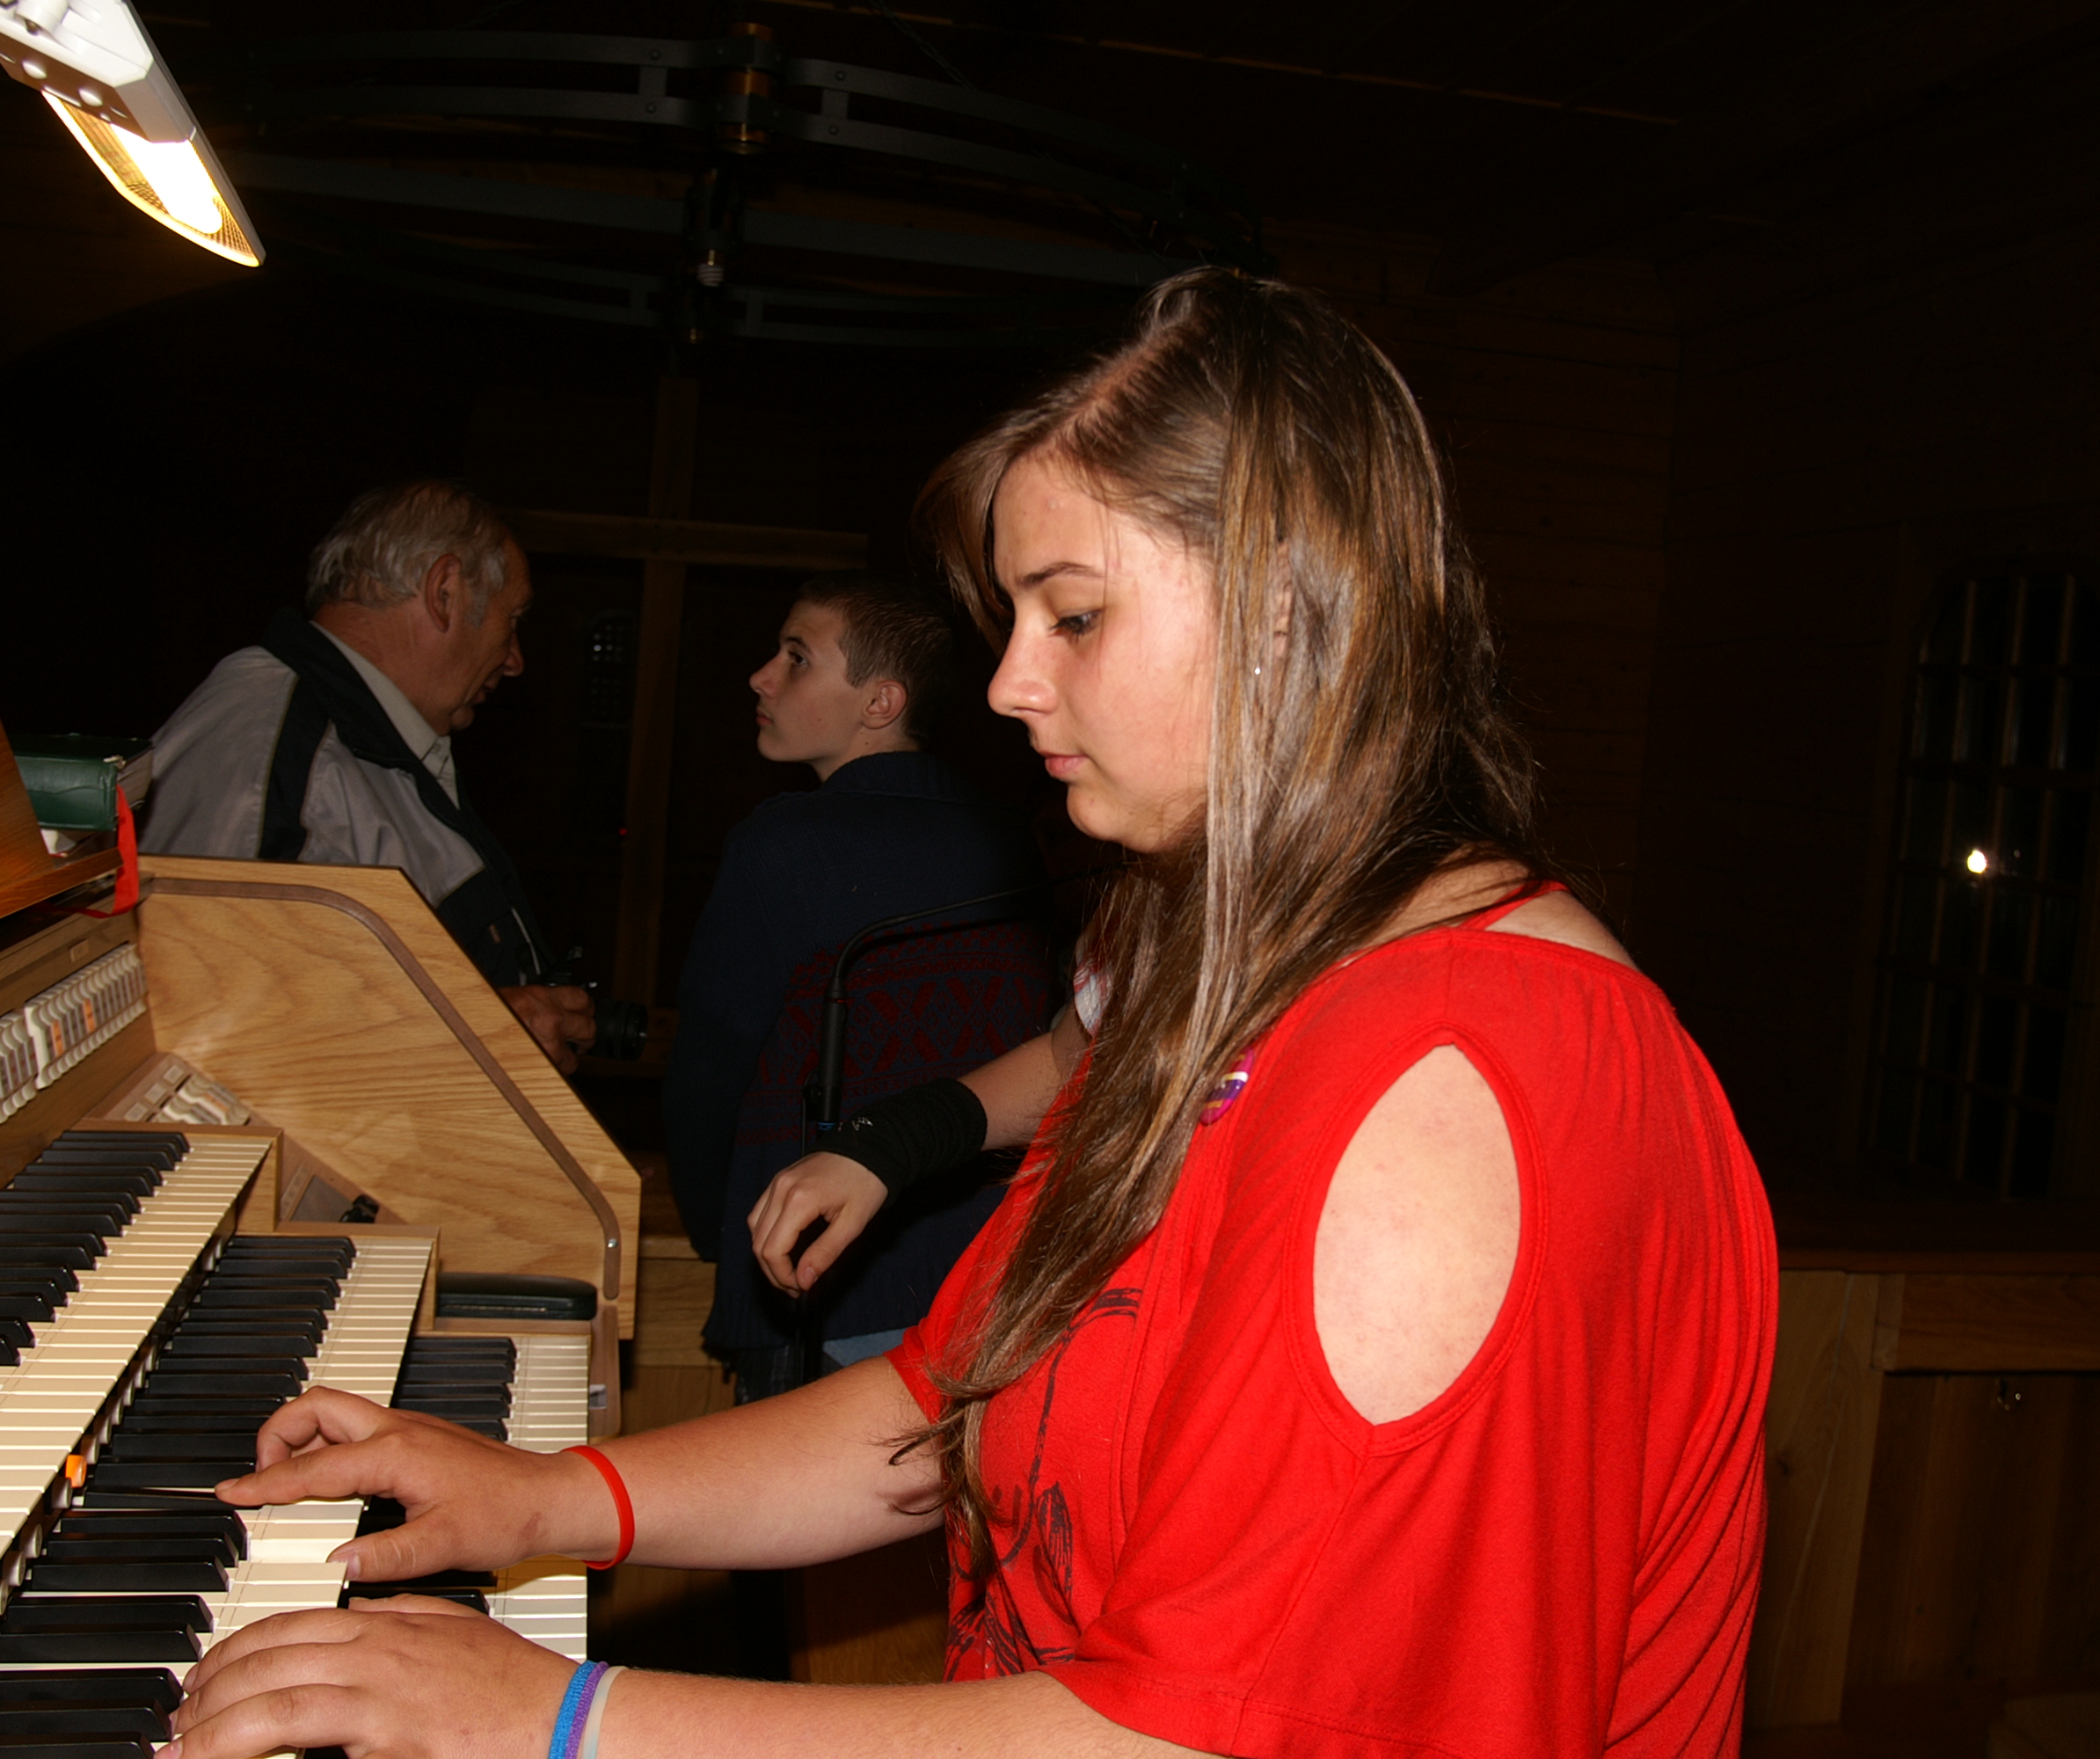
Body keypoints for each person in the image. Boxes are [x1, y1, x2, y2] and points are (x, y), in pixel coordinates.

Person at [165, 270, 1779, 1759]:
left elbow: (1197, 1743)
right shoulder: (1217, 992)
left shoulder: (1448, 1092)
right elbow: (939, 1407)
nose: (1006, 684)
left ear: (1287, 612)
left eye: (1072, 614)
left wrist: (563, 1716)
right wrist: (546, 1500)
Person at [661, 574, 1049, 1402]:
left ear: (881, 702)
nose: (762, 676)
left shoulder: (783, 845)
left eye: (797, 658)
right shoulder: (1020, 845)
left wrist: (717, 1232)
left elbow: (710, 1073)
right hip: (990, 1291)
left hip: (817, 1280)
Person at [140, 480, 595, 1071]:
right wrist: (466, 1034)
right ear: (444, 592)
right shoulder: (269, 742)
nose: (515, 660)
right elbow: (188, 1014)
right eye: (512, 620)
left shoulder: (375, 745)